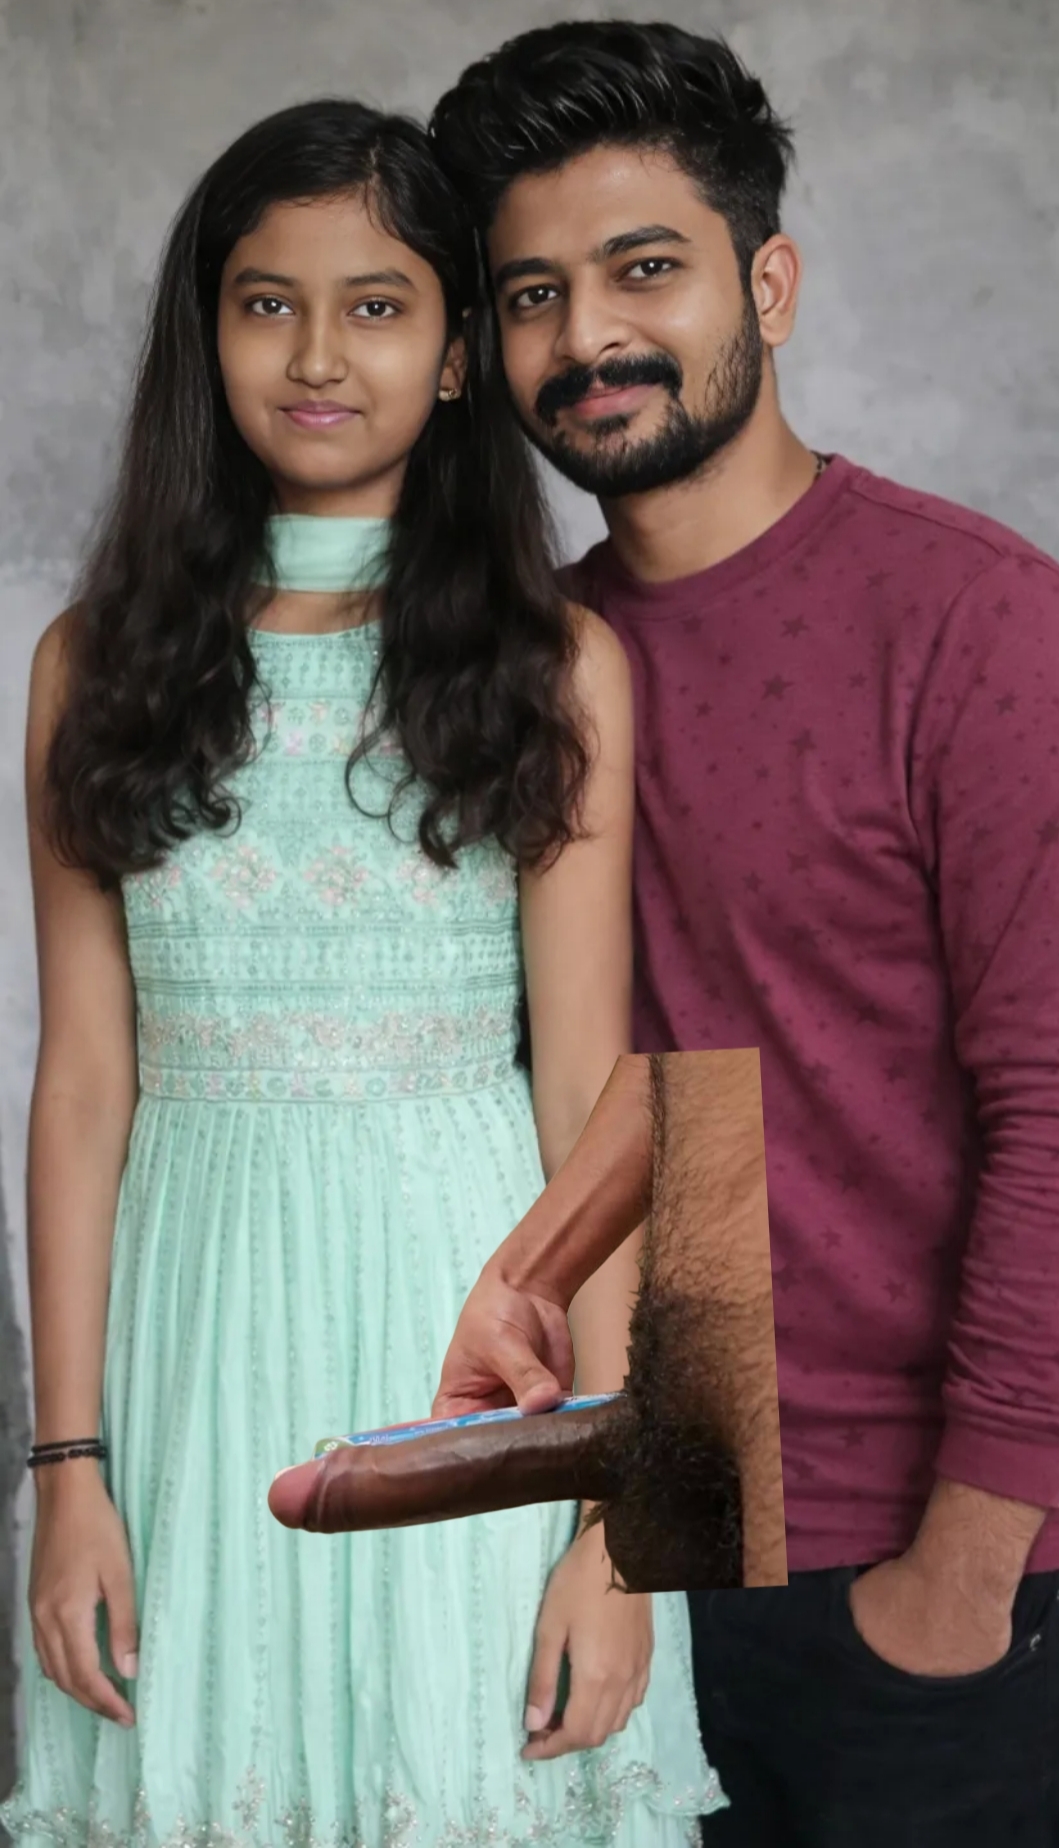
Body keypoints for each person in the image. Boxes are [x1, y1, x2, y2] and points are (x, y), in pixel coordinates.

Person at [0, 98, 721, 1848]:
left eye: (378, 306)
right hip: (192, 1352)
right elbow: (83, 1086)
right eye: (269, 304)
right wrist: (67, 1473)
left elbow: (594, 1095)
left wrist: (618, 1523)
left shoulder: (557, 665)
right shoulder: (90, 666)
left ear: (458, 352)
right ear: (207, 336)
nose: (319, 355)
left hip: (473, 1351)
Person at [421, 20, 1059, 1845]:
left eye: (646, 270)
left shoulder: (980, 626)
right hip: (633, 1546)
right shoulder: (527, 674)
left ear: (766, 287)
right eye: (535, 294)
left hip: (931, 1575)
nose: (590, 335)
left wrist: (966, 1568)